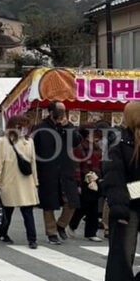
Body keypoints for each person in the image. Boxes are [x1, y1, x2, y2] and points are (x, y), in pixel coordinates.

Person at [101, 101, 140, 281]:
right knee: (124, 254)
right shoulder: (117, 139)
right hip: (127, 204)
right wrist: (118, 208)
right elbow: (113, 177)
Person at [31, 101, 81, 245]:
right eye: (59, 111)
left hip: (66, 169)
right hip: (47, 170)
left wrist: (68, 126)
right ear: (51, 112)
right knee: (49, 204)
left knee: (72, 201)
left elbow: (77, 141)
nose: (62, 114)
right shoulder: (41, 128)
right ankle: (51, 232)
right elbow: (33, 150)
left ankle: (61, 225)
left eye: (64, 111)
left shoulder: (67, 127)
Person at [0, 115, 39, 248]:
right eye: (21, 126)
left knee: (27, 211)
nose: (24, 129)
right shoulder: (3, 141)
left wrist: (35, 180)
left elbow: (33, 163)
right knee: (8, 210)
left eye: (26, 127)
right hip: (9, 180)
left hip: (26, 181)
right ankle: (2, 233)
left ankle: (32, 239)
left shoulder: (29, 141)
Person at [68, 128, 103, 242]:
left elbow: (100, 163)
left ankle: (91, 233)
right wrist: (78, 183)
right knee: (84, 205)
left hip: (95, 178)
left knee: (93, 206)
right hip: (84, 178)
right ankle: (72, 224)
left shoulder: (97, 147)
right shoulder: (80, 148)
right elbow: (76, 166)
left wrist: (101, 176)